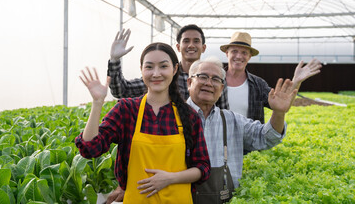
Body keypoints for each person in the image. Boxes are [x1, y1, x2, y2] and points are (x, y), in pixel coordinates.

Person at [75, 42, 210, 203]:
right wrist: (97, 103)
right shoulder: (127, 110)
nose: (156, 73)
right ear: (141, 70)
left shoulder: (188, 115)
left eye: (163, 66)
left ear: (174, 70)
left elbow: (203, 167)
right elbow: (90, 149)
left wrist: (170, 178)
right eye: (149, 67)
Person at [186, 56, 297, 201]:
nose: (209, 83)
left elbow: (267, 137)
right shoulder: (173, 117)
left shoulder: (232, 120)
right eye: (203, 77)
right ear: (189, 82)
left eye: (215, 79)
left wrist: (279, 112)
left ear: (221, 88)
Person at [107, 25, 228, 108]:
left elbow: (222, 111)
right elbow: (121, 90)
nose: (191, 45)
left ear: (203, 47)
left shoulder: (213, 79)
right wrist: (114, 60)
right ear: (178, 47)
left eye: (196, 41)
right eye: (186, 41)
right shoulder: (165, 76)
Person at [220, 31, 322, 123]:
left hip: (249, 142)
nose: (238, 56)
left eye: (244, 53)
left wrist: (296, 81)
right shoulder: (215, 80)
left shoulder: (258, 85)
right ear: (227, 53)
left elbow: (282, 106)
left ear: (249, 57)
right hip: (219, 142)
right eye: (234, 51)